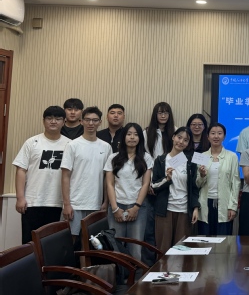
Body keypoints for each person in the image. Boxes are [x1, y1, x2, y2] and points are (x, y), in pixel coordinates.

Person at [13, 106, 70, 244]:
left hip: (58, 202)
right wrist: (20, 197)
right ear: (43, 121)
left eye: (58, 118)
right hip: (32, 201)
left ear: (64, 122)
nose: (53, 121)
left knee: (53, 244)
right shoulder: (32, 142)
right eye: (49, 118)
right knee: (30, 243)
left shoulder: (70, 144)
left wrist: (68, 203)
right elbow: (21, 170)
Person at [104, 122, 153, 261]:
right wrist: (115, 208)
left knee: (135, 248)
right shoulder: (113, 158)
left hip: (138, 207)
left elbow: (145, 184)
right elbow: (110, 183)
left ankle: (134, 274)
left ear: (140, 138)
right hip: (117, 205)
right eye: (129, 134)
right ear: (123, 137)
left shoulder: (146, 158)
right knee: (116, 247)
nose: (132, 137)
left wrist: (136, 207)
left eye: (136, 134)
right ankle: (119, 274)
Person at [61, 106, 111, 240]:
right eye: (87, 120)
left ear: (100, 122)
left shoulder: (106, 147)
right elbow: (65, 176)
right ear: (81, 121)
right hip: (75, 203)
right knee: (70, 241)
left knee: (91, 242)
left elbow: (107, 178)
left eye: (95, 120)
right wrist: (67, 204)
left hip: (96, 204)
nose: (91, 123)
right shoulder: (72, 145)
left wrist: (106, 202)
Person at [152, 127, 199, 253]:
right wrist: (167, 179)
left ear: (188, 143)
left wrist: (195, 207)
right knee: (163, 249)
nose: (181, 142)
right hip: (165, 210)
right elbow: (154, 186)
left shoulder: (190, 161)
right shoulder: (161, 160)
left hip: (184, 210)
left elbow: (194, 187)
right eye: (179, 137)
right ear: (173, 137)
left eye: (186, 140)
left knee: (181, 250)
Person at [142, 102, 175, 264]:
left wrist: (168, 176)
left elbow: (179, 155)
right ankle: (148, 264)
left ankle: (167, 261)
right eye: (160, 113)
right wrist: (148, 183)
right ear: (155, 115)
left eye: (166, 113)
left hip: (169, 184)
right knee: (149, 227)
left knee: (166, 226)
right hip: (150, 183)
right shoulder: (146, 133)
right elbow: (143, 159)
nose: (163, 116)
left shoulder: (175, 132)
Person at [197, 123, 240, 235]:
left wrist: (233, 207)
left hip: (224, 203)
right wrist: (202, 175)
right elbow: (197, 184)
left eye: (219, 133)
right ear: (208, 136)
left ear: (224, 136)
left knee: (223, 239)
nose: (216, 136)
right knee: (205, 238)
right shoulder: (202, 156)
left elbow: (235, 183)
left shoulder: (232, 156)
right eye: (213, 133)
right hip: (205, 203)